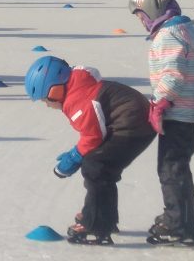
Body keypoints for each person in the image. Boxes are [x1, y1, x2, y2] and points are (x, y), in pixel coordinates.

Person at [24, 56, 156, 246]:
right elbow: (94, 131)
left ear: (55, 89)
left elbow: (93, 138)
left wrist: (73, 158)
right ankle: (102, 216)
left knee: (96, 167)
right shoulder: (78, 86)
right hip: (131, 122)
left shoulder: (79, 102)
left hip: (133, 127)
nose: (47, 104)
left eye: (45, 99)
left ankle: (96, 225)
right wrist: (77, 153)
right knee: (101, 166)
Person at [127, 0, 194, 247]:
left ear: (153, 10)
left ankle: (177, 224)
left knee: (170, 170)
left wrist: (162, 103)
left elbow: (173, 73)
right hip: (184, 113)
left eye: (141, 16)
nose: (141, 21)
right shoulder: (184, 30)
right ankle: (185, 220)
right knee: (178, 169)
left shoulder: (169, 35)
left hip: (175, 113)